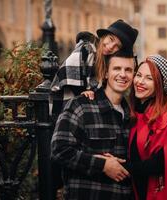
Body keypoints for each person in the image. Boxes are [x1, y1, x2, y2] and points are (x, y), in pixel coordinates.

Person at [51, 49, 137, 200]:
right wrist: (103, 165)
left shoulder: (132, 115)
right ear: (105, 73)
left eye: (128, 70)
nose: (123, 74)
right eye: (117, 68)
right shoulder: (80, 106)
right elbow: (60, 150)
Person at [127, 55, 167, 200]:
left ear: (160, 85)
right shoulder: (133, 114)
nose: (140, 82)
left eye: (149, 78)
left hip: (160, 194)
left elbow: (159, 164)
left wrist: (123, 168)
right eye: (138, 75)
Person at [49, 19, 138, 119]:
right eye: (111, 39)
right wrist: (82, 92)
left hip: (82, 109)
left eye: (117, 46)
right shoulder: (87, 47)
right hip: (64, 104)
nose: (110, 46)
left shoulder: (105, 61)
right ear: (104, 36)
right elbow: (68, 72)